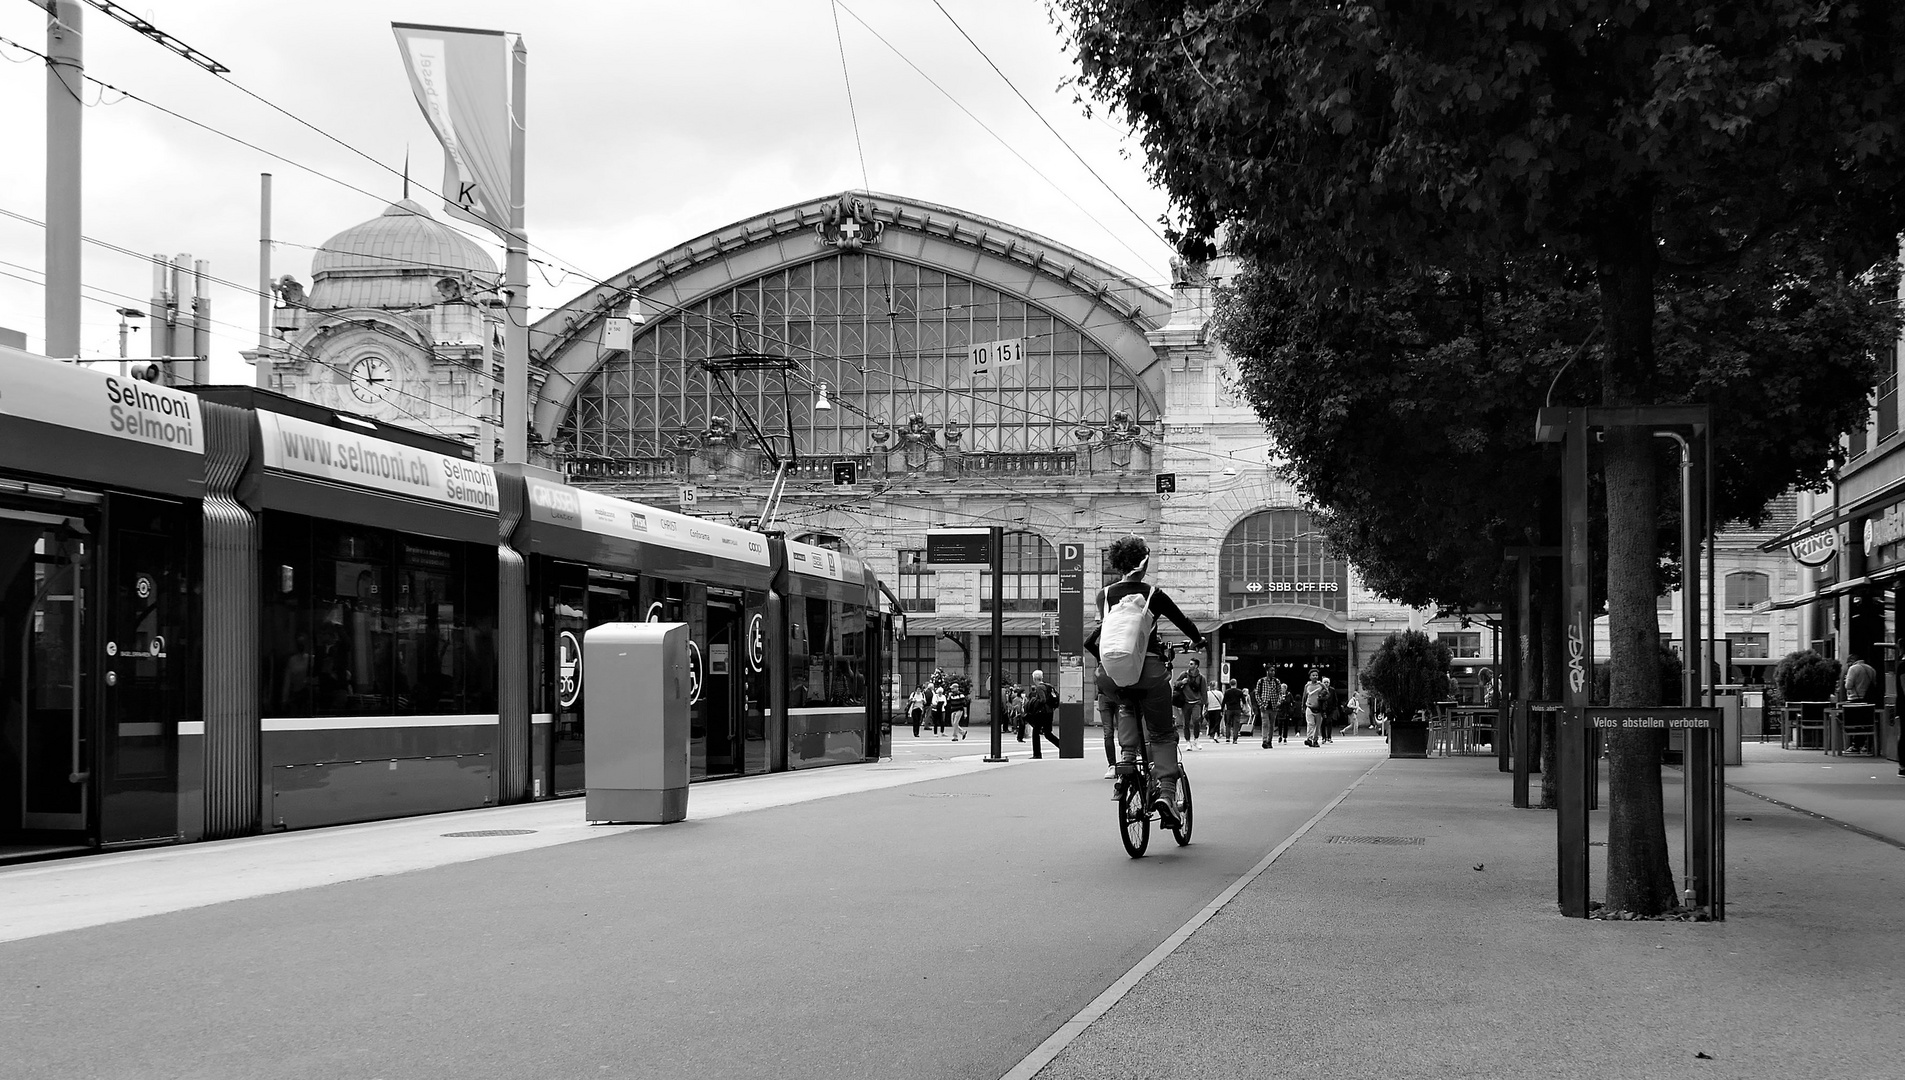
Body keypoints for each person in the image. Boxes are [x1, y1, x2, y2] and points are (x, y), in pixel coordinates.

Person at [1086, 534, 1206, 826]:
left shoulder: (1103, 595)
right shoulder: (1154, 594)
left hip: (1112, 674)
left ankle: (1126, 759)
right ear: (1144, 561)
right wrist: (1198, 640)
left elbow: (1097, 639)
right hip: (1149, 669)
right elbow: (1184, 623)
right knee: (1163, 732)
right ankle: (1166, 792)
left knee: (1126, 706)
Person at [1843, 653, 1878, 752]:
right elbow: (1874, 684)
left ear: (1852, 660)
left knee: (1854, 723)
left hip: (1855, 699)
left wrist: (1846, 680)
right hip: (1868, 700)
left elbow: (1848, 686)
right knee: (1867, 722)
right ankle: (1867, 745)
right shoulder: (1871, 669)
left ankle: (1856, 745)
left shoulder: (1853, 669)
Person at [1024, 669, 1061, 756]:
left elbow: (1043, 700)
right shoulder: (1049, 686)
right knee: (1048, 733)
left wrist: (1035, 706)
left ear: (1034, 679)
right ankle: (1061, 746)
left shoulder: (1039, 687)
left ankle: (1037, 754)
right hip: (1049, 712)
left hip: (1041, 713)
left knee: (1036, 732)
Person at [1174, 658, 1208, 752]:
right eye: (1189, 663)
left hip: (1197, 702)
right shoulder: (1184, 675)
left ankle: (1196, 739)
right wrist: (1182, 682)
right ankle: (1188, 742)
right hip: (1185, 703)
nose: (1189, 665)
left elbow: (1204, 691)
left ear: (1196, 666)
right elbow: (1175, 684)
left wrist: (1205, 704)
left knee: (1196, 720)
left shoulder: (1201, 678)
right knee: (1186, 723)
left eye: (1192, 664)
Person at [1255, 671, 1283, 749]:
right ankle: (1264, 740)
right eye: (1271, 671)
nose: (1273, 672)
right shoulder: (1261, 681)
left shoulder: (1276, 681)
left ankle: (1269, 740)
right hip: (1264, 706)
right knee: (1265, 723)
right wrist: (1260, 703)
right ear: (1267, 671)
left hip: (1274, 706)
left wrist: (1279, 702)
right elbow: (1257, 693)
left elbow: (1280, 693)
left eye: (1274, 671)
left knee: (1272, 725)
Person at [1302, 669, 1328, 747]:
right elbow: (1304, 696)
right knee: (1310, 724)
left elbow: (1327, 694)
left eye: (1316, 675)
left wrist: (1322, 697)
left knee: (1317, 726)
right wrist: (1303, 706)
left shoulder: (1321, 685)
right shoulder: (1307, 686)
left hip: (1319, 708)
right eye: (1313, 675)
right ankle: (1309, 739)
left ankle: (1315, 740)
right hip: (1309, 707)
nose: (1315, 677)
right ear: (1310, 676)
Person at [1222, 678, 1249, 743]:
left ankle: (1227, 737)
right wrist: (1245, 707)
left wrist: (1221, 710)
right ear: (1236, 684)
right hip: (1237, 709)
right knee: (1236, 724)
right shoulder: (1239, 691)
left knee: (1228, 723)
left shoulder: (1227, 691)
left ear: (1230, 684)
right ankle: (1235, 739)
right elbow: (1244, 701)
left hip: (1229, 709)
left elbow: (1224, 701)